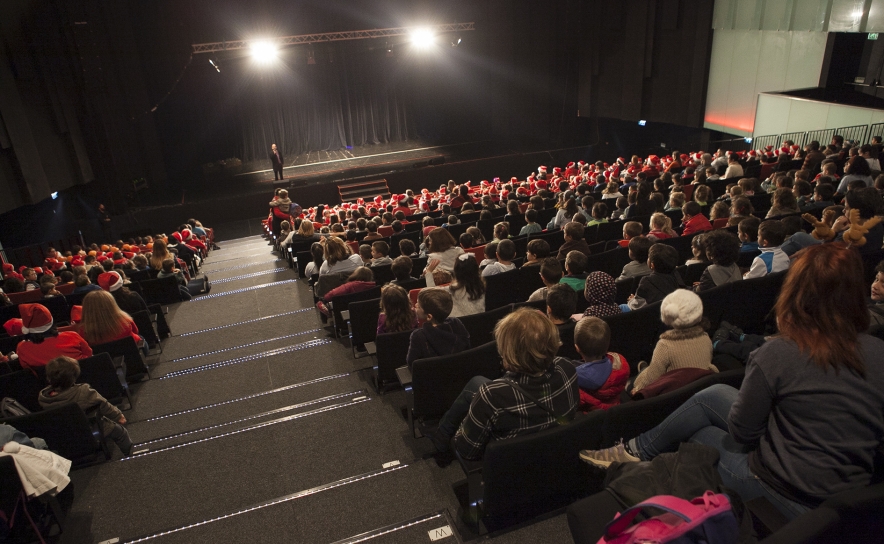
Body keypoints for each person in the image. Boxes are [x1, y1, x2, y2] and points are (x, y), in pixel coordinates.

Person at [578, 243, 884, 520]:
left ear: (796, 292)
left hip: (785, 492)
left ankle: (642, 469)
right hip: (848, 490)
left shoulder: (778, 353)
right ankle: (636, 449)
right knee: (713, 393)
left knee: (701, 434)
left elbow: (744, 431)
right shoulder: (878, 350)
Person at [426, 308, 579, 460]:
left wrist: (463, 426)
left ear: (509, 352)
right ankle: (441, 433)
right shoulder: (566, 367)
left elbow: (466, 450)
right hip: (556, 450)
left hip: (510, 465)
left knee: (476, 389)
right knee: (475, 382)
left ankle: (441, 437)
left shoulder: (492, 395)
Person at [39, 356, 132, 456]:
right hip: (89, 428)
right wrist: (118, 416)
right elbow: (103, 404)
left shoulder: (43, 397)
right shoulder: (82, 390)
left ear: (49, 377)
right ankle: (130, 454)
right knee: (121, 433)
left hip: (63, 434)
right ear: (74, 376)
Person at [630, 289, 717, 395]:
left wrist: (638, 388)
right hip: (700, 390)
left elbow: (652, 377)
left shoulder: (665, 345)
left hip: (674, 394)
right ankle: (643, 368)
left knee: (633, 382)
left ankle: (642, 369)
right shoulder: (706, 337)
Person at [571, 317, 629, 411]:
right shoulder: (621, 364)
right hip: (615, 408)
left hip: (592, 418)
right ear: (607, 347)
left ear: (577, 348)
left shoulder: (573, 378)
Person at [16, 303, 92, 374]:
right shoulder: (72, 336)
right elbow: (89, 355)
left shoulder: (22, 348)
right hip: (84, 377)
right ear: (51, 322)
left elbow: (29, 372)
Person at [405, 288, 470, 367]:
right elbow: (467, 349)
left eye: (419, 306)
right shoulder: (456, 323)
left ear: (429, 316)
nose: (415, 305)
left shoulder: (417, 336)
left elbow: (412, 364)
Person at [78, 290, 146, 353]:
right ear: (112, 305)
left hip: (107, 362)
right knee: (141, 337)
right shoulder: (125, 320)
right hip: (134, 353)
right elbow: (136, 331)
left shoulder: (83, 331)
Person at [426, 253, 485, 317]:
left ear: (456, 272)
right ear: (476, 269)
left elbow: (432, 294)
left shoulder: (450, 291)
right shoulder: (482, 289)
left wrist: (429, 272)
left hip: (457, 326)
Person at [628, 244, 684, 310]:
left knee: (622, 306)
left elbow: (637, 306)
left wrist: (631, 300)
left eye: (648, 257)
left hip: (656, 313)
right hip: (675, 308)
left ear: (652, 265)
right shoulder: (676, 273)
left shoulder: (647, 281)